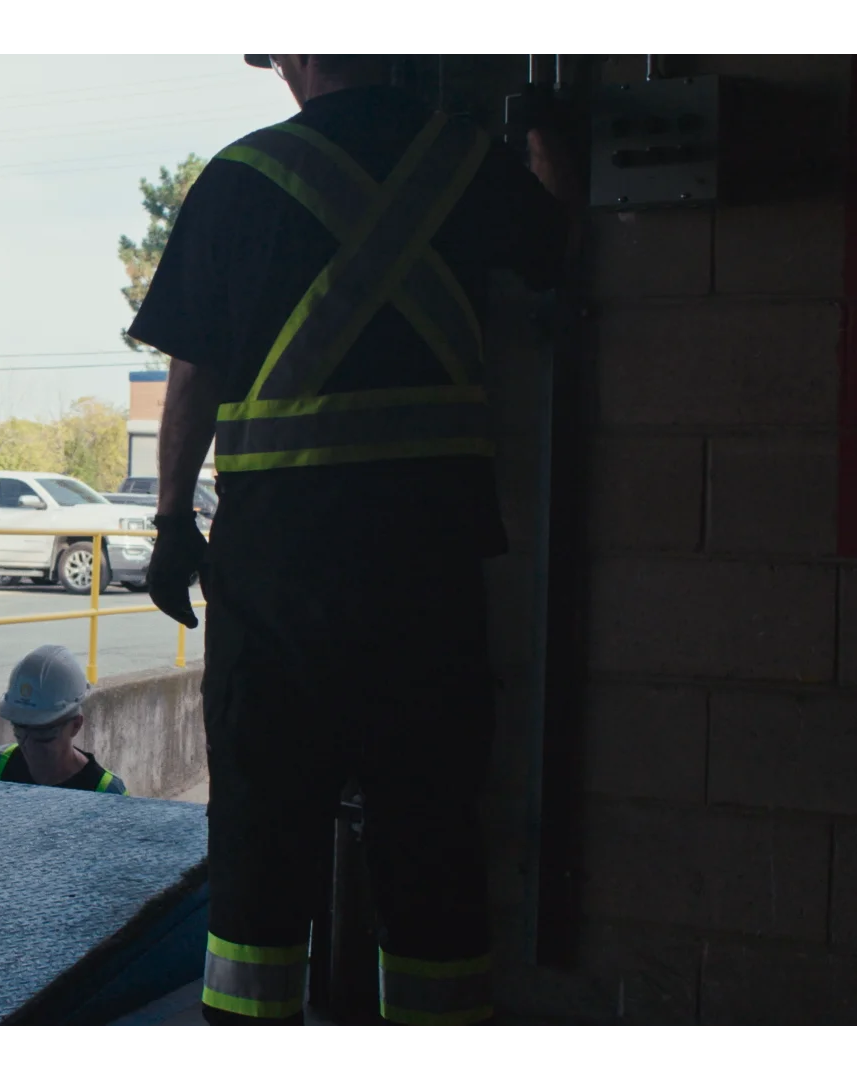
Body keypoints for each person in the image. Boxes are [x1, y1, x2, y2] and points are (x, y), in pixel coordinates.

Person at [129, 47, 578, 1032]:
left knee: (261, 821)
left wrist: (170, 522)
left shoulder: (240, 179)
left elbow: (193, 376)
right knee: (431, 825)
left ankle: (252, 1023)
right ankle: (438, 1022)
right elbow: (553, 243)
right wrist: (548, 128)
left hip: (275, 574)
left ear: (294, 55)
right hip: (426, 569)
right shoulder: (463, 166)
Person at [0, 644, 128, 795]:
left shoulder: (108, 795)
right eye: (19, 728)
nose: (28, 746)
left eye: (43, 734)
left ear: (76, 725)